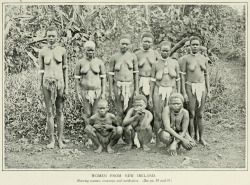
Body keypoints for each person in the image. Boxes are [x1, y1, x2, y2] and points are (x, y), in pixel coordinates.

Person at [38, 26, 68, 149]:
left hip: (59, 83)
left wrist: (66, 87)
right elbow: (40, 70)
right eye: (49, 36)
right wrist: (39, 86)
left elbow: (65, 68)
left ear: (57, 37)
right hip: (47, 83)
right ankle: (52, 140)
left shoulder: (62, 50)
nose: (51, 38)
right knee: (49, 112)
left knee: (60, 111)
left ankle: (60, 140)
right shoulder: (42, 51)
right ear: (46, 36)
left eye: (53, 36)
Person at [180, 36, 211, 146]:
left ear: (200, 46)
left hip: (201, 87)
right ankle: (192, 137)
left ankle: (201, 137)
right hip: (190, 86)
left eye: (197, 44)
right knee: (191, 113)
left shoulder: (204, 58)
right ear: (190, 46)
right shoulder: (185, 59)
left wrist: (209, 89)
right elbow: (182, 76)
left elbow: (206, 75)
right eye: (193, 44)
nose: (195, 46)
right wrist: (184, 92)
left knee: (200, 114)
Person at [149, 41, 180, 147]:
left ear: (170, 51)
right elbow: (152, 81)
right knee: (157, 116)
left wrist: (178, 94)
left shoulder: (175, 63)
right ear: (159, 51)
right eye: (163, 51)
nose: (165, 53)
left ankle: (171, 140)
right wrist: (150, 95)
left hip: (172, 90)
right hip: (158, 90)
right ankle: (158, 141)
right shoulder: (155, 64)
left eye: (167, 51)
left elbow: (178, 80)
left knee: (171, 116)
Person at [109, 35, 139, 124]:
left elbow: (136, 74)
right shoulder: (114, 57)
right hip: (118, 85)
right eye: (122, 44)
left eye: (126, 44)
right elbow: (110, 75)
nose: (124, 46)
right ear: (119, 44)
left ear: (129, 45)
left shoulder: (133, 57)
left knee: (129, 110)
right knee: (119, 111)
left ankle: (127, 133)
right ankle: (119, 134)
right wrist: (110, 90)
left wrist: (136, 89)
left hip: (130, 85)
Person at [74, 41, 106, 124]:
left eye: (92, 50)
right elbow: (77, 79)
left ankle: (95, 132)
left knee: (95, 113)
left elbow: (103, 79)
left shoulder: (99, 62)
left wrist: (103, 92)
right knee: (87, 113)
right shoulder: (80, 62)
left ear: (95, 50)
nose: (90, 52)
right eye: (88, 50)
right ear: (84, 50)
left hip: (97, 91)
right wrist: (78, 93)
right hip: (85, 91)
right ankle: (88, 131)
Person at [135, 32, 159, 108]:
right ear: (141, 41)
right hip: (140, 80)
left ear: (152, 43)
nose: (147, 43)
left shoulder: (155, 53)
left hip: (152, 81)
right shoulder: (137, 53)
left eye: (149, 42)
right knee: (140, 103)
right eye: (145, 41)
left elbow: (161, 66)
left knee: (151, 104)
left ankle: (150, 118)